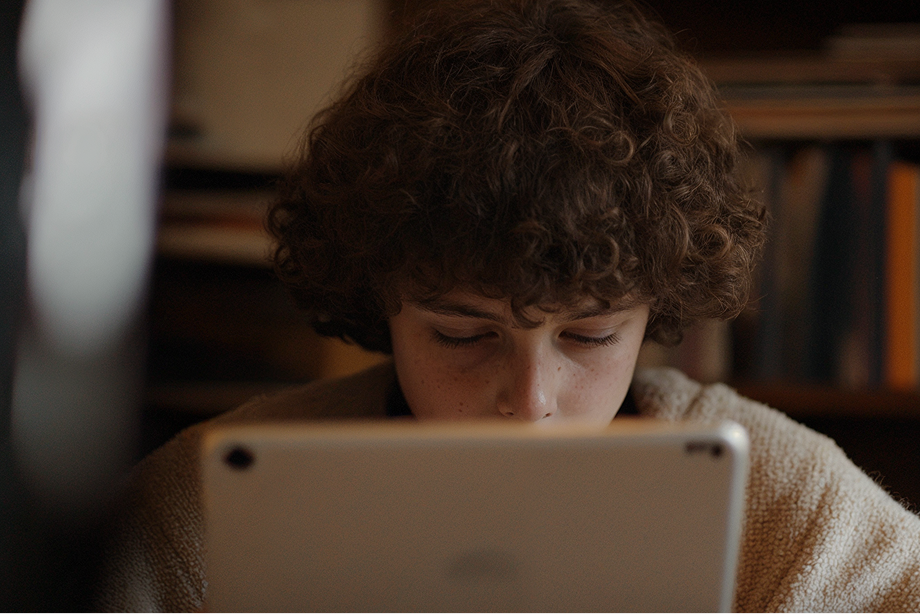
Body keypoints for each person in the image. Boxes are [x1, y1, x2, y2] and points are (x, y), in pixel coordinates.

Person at [95, 0, 920, 612]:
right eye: (462, 335)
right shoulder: (201, 511)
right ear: (380, 302)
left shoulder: (784, 505)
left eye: (589, 335)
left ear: (654, 313)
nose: (529, 403)